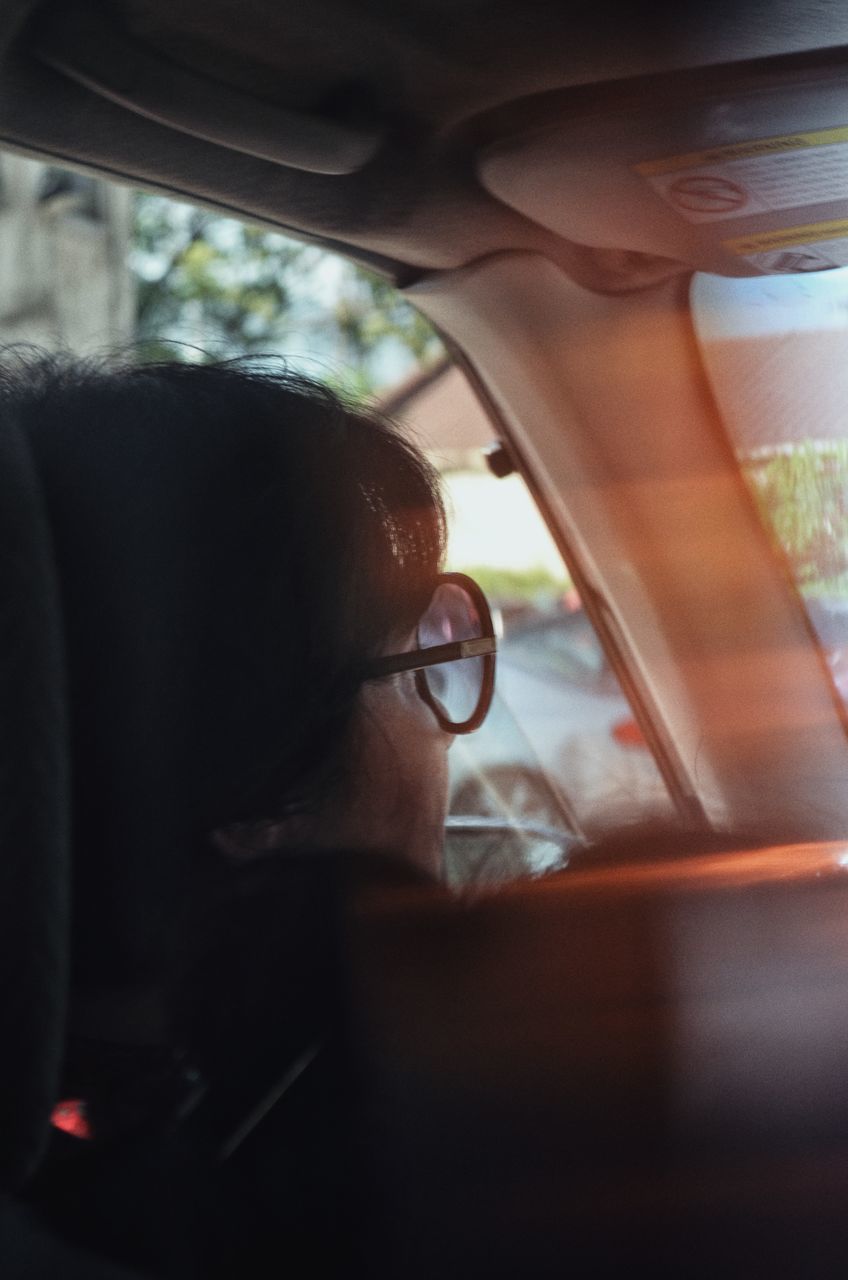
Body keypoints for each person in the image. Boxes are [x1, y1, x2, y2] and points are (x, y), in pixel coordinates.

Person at [0, 348, 496, 1276]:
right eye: (416, 663)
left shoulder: (66, 1169)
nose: (450, 732)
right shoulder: (441, 1171)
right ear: (263, 788)